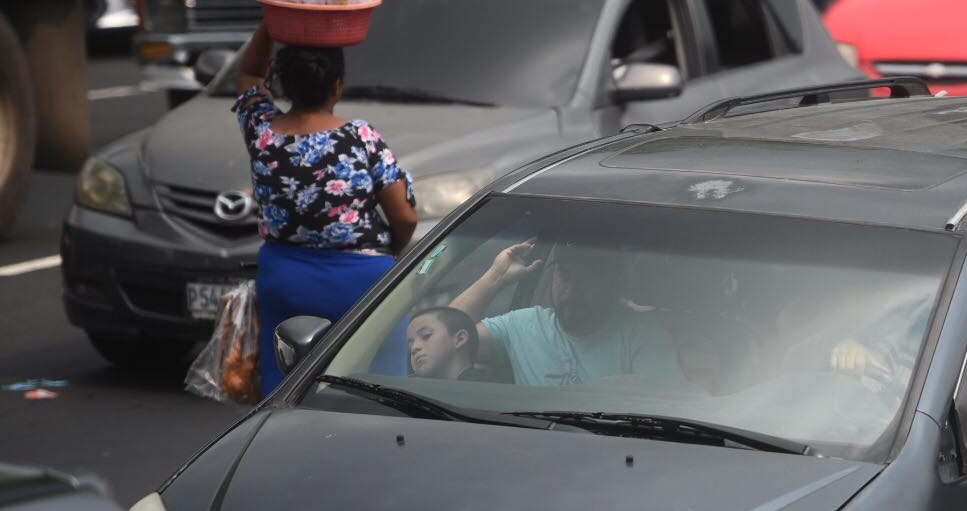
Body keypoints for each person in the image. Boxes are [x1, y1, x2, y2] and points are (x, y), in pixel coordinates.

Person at [234, 22, 417, 394]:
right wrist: (391, 251)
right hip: (363, 281)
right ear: (337, 86)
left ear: (284, 84)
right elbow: (404, 216)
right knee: (378, 392)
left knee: (287, 390)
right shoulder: (361, 137)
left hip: (285, 278)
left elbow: (249, 73)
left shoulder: (263, 131)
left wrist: (271, 25)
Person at [450, 239, 682, 387]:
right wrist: (495, 277)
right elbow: (443, 337)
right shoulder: (524, 326)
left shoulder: (644, 335)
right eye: (565, 275)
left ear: (613, 284)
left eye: (587, 279)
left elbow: (661, 405)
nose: (572, 290)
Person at [408, 306, 481, 380]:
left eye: (426, 335)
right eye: (410, 345)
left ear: (460, 339)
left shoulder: (485, 387)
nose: (414, 348)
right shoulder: (405, 386)